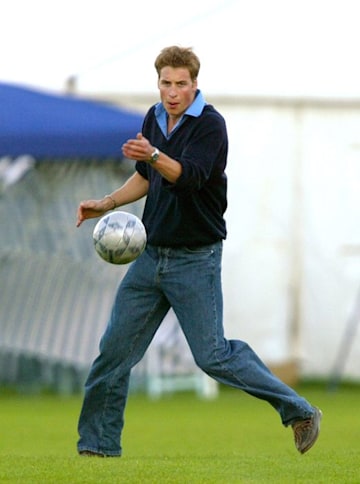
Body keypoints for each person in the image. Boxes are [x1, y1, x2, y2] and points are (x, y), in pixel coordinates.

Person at [76, 45, 322, 457]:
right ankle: (97, 449)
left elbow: (186, 177)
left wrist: (153, 154)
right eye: (165, 84)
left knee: (213, 356)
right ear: (158, 83)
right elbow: (146, 176)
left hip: (195, 259)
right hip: (151, 255)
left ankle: (299, 411)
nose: (173, 92)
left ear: (194, 83)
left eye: (181, 84)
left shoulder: (211, 125)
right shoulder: (153, 118)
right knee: (112, 354)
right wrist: (108, 202)